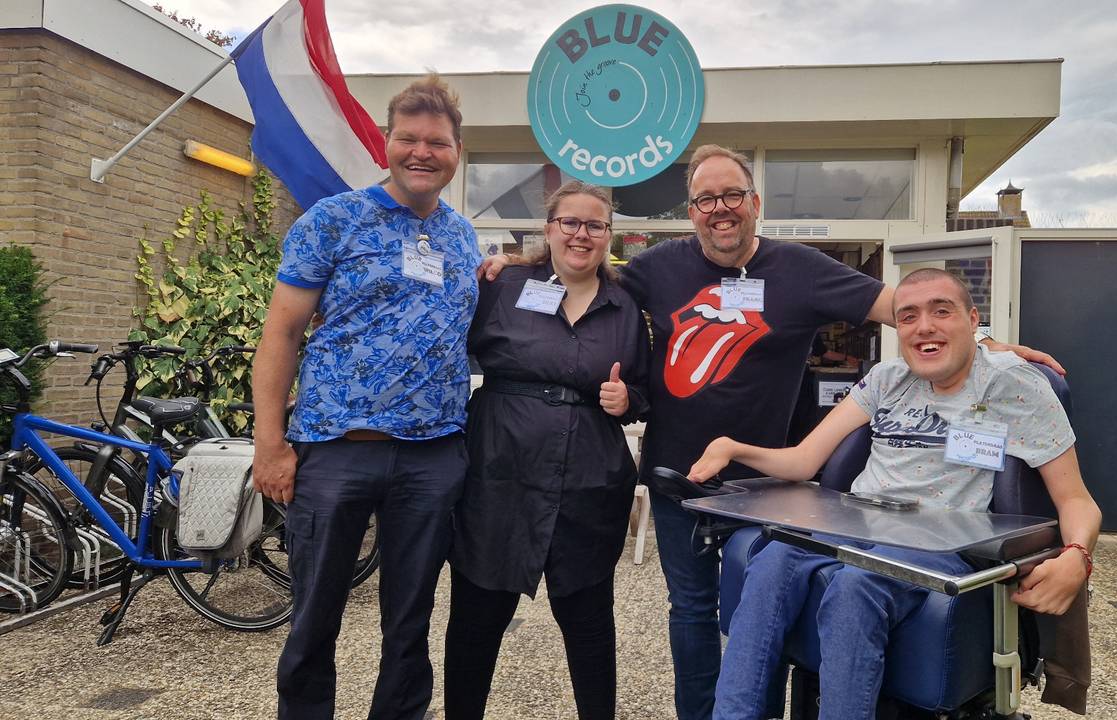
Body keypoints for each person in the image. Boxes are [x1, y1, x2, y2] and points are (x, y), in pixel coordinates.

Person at [480, 144, 1063, 720]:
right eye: (705, 199)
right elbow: (585, 273)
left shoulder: (801, 270)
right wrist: (520, 266)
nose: (720, 208)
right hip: (681, 476)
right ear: (691, 211)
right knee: (691, 611)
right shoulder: (659, 268)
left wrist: (988, 344)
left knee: (770, 605)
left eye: (732, 194)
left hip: (768, 486)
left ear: (755, 203)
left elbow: (911, 309)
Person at [687, 268, 1101, 720]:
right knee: (770, 559)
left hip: (937, 538)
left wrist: (1077, 555)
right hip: (853, 524)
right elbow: (805, 461)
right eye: (908, 316)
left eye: (942, 311)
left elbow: (1076, 501)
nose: (924, 326)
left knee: (855, 586)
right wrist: (733, 448)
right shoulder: (887, 379)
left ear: (973, 320)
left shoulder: (1015, 386)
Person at [251, 75, 479, 720]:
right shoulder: (333, 220)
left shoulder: (462, 239)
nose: (421, 152)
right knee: (314, 616)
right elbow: (282, 334)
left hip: (433, 458)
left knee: (409, 622)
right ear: (387, 142)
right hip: (335, 452)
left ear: (456, 151)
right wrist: (271, 445)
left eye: (436, 141)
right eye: (409, 138)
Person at [444, 182, 650, 720]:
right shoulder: (505, 284)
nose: (582, 234)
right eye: (570, 223)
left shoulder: (626, 305)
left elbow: (649, 389)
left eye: (595, 225)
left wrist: (628, 398)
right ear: (549, 228)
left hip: (588, 483)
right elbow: (442, 346)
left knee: (587, 622)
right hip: (499, 475)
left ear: (609, 234)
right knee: (477, 617)